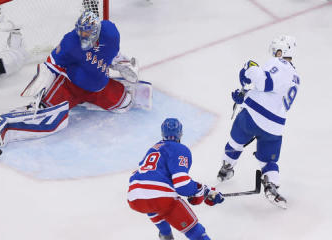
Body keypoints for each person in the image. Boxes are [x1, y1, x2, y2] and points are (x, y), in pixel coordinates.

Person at [0, 11, 151, 147]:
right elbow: (50, 66)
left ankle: (88, 100)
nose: (82, 35)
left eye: (86, 33)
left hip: (98, 86)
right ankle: (3, 126)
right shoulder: (70, 42)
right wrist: (40, 91)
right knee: (50, 119)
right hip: (69, 85)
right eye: (80, 31)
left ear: (96, 32)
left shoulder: (110, 33)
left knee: (125, 103)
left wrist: (122, 63)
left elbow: (112, 53)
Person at [217, 35, 300, 208]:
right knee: (268, 161)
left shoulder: (279, 63)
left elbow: (264, 83)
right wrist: (246, 95)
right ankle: (271, 186)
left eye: (276, 51)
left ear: (281, 51)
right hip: (275, 127)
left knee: (235, 141)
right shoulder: (296, 77)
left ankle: (226, 168)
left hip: (252, 118)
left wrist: (250, 66)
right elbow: (272, 96)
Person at [128, 118, 224, 240]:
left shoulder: (153, 148)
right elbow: (182, 185)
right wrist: (202, 193)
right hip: (158, 196)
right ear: (180, 133)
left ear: (162, 133)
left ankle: (165, 235)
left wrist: (205, 191)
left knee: (153, 201)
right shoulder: (179, 149)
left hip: (135, 196)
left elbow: (151, 179)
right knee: (194, 231)